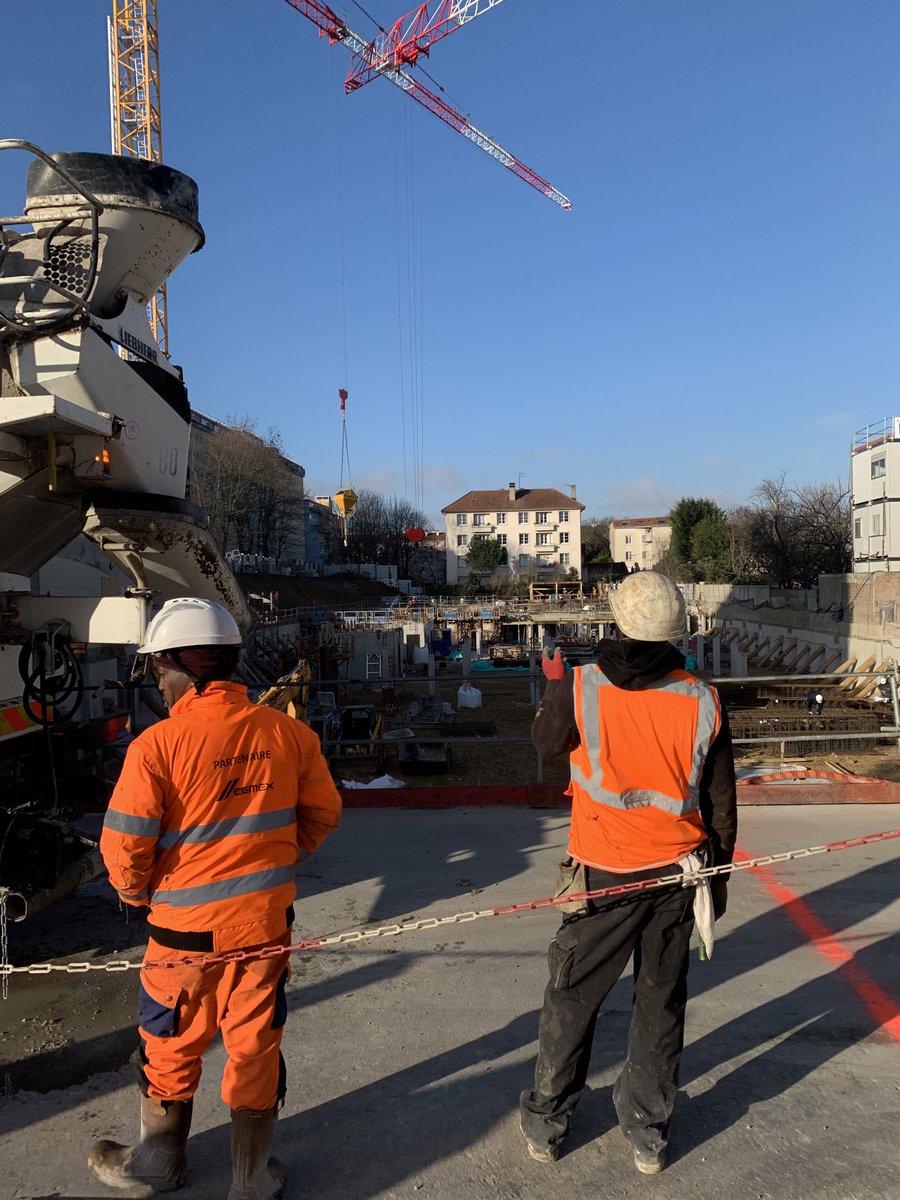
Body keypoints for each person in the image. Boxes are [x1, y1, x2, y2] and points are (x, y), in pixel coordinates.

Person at [89, 597, 342, 1200]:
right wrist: (273, 861)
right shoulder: (289, 734)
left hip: (182, 936)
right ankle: (250, 1178)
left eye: (159, 668)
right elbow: (323, 814)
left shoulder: (156, 746)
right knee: (255, 1044)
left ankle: (159, 1161)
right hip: (264, 928)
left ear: (183, 665)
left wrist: (135, 892)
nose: (158, 682)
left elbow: (124, 847)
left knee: (169, 1041)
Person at [519, 571, 737, 1174]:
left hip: (604, 877)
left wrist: (555, 686)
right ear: (674, 631)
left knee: (572, 998)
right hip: (677, 876)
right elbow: (721, 803)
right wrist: (717, 880)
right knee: (659, 1005)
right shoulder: (701, 699)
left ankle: (548, 1121)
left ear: (616, 621)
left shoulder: (582, 685)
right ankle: (648, 1131)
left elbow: (545, 745)